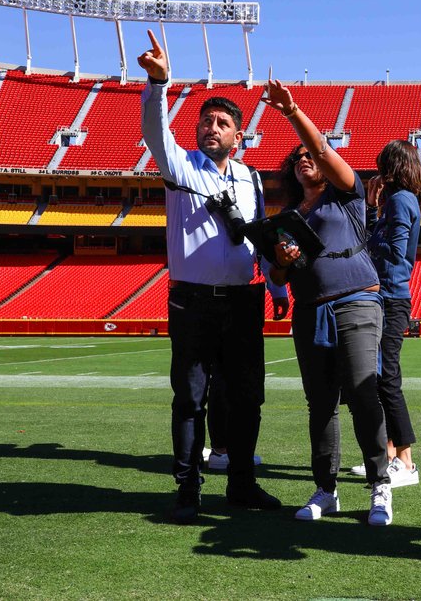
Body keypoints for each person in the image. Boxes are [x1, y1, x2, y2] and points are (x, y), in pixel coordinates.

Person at [138, 31, 289, 524]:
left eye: (222, 123)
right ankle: (187, 488)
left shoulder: (251, 178)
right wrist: (159, 84)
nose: (211, 128)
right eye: (205, 121)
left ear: (239, 136)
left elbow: (261, 237)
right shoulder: (180, 165)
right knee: (190, 396)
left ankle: (242, 484)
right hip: (193, 301)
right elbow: (156, 133)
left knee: (247, 396)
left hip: (244, 301)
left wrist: (277, 284)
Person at [262, 79, 394, 527]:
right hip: (309, 310)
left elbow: (319, 148)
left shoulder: (349, 195)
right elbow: (277, 277)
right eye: (296, 159)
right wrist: (281, 261)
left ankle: (379, 485)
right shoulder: (285, 219)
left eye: (308, 157)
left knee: (362, 390)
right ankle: (326, 489)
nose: (304, 161)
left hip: (357, 300)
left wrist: (292, 111)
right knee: (320, 402)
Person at [350, 140, 421, 487]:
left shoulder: (400, 200)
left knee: (386, 377)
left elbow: (395, 251)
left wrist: (376, 222)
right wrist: (371, 209)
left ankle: (406, 463)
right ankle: (387, 456)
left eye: (382, 166)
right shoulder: (395, 201)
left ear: (391, 169)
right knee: (379, 378)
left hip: (391, 297)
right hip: (386, 295)